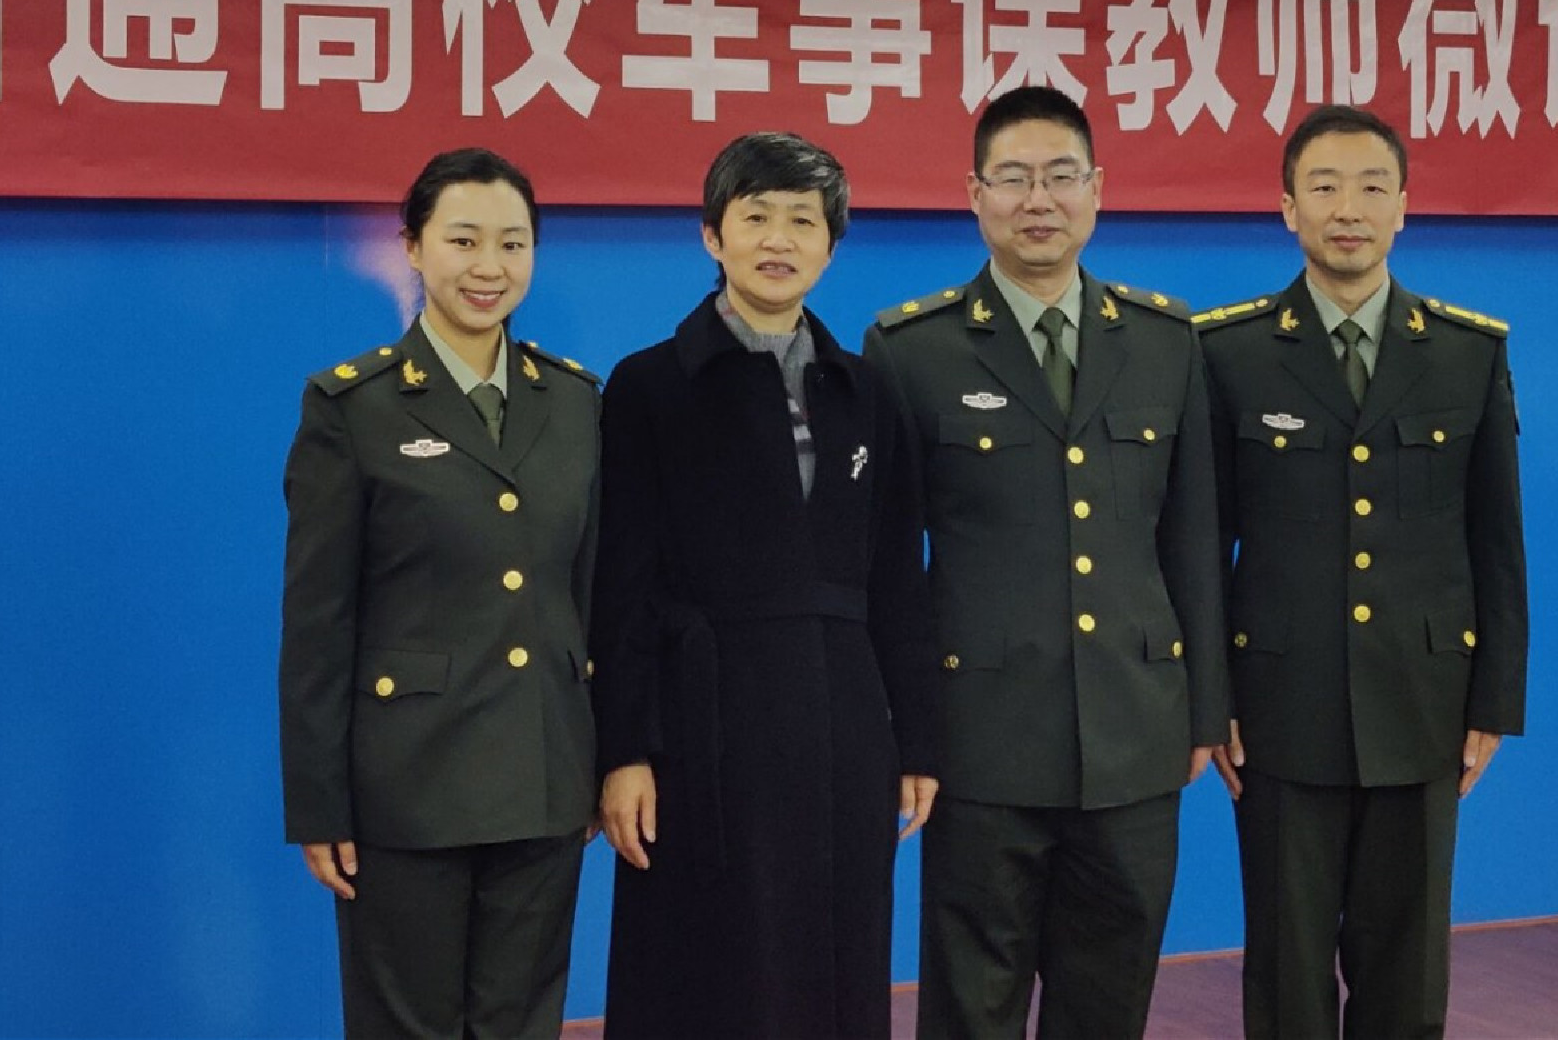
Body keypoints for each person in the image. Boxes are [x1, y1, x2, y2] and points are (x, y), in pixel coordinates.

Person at [862, 84, 1227, 1039]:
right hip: (980, 739)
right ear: (974, 194)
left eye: (1061, 176)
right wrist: (907, 730)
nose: (1039, 200)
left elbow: (1193, 538)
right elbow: (887, 567)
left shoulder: (1164, 340)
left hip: (1134, 732)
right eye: (1014, 178)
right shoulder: (912, 349)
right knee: (971, 1005)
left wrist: (1205, 707)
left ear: (1096, 189)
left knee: (1109, 1002)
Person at [591, 131, 940, 1039]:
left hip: (844, 726)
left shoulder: (867, 391)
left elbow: (899, 578)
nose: (778, 240)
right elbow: (620, 585)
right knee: (705, 974)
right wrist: (624, 750)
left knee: (837, 962)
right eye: (756, 218)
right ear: (713, 234)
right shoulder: (648, 385)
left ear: (831, 244)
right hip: (701, 725)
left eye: (803, 221)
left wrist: (916, 739)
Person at [1196, 104, 1529, 1039]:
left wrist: (1493, 698)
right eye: (1325, 186)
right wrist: (1208, 698)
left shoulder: (1467, 351)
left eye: (1372, 187)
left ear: (1404, 206)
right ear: (1287, 207)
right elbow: (1202, 542)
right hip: (1277, 707)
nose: (1349, 208)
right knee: (1287, 969)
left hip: (1422, 701)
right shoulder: (1227, 351)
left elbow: (1497, 541)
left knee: (1407, 971)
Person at [278, 148, 601, 1039]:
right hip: (406, 789)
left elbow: (590, 596)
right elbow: (317, 621)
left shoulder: (575, 401)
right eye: (463, 240)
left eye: (512, 242)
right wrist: (320, 803)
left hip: (544, 777)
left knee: (521, 1023)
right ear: (414, 247)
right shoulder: (354, 407)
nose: (488, 265)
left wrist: (600, 762)